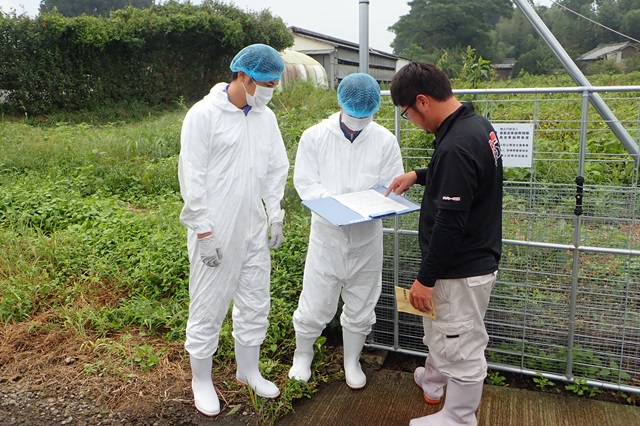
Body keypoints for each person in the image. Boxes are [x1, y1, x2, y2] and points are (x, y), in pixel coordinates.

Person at [385, 62, 502, 426]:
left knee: (460, 342)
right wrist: (419, 175)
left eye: (407, 114)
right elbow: (466, 176)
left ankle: (459, 416)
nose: (412, 121)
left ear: (421, 102)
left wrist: (426, 279)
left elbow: (450, 223)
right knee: (444, 329)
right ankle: (434, 383)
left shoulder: (455, 144)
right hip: (475, 259)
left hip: (458, 267)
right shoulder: (476, 126)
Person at [177, 43, 289, 417]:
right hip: (217, 228)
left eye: (276, 83)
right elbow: (190, 174)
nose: (272, 89)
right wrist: (204, 232)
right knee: (208, 304)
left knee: (255, 300)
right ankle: (201, 379)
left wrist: (274, 212)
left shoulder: (264, 117)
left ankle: (248, 370)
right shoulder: (204, 115)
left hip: (252, 226)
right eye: (267, 83)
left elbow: (276, 167)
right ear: (243, 76)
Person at [288, 73, 405, 389]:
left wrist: (369, 203)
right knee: (315, 301)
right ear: (341, 104)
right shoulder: (315, 137)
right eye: (355, 114)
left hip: (367, 238)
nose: (359, 120)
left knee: (362, 302)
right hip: (327, 236)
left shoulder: (383, 139)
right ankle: (303, 355)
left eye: (364, 116)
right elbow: (306, 183)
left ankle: (351, 361)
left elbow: (391, 184)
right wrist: (336, 205)